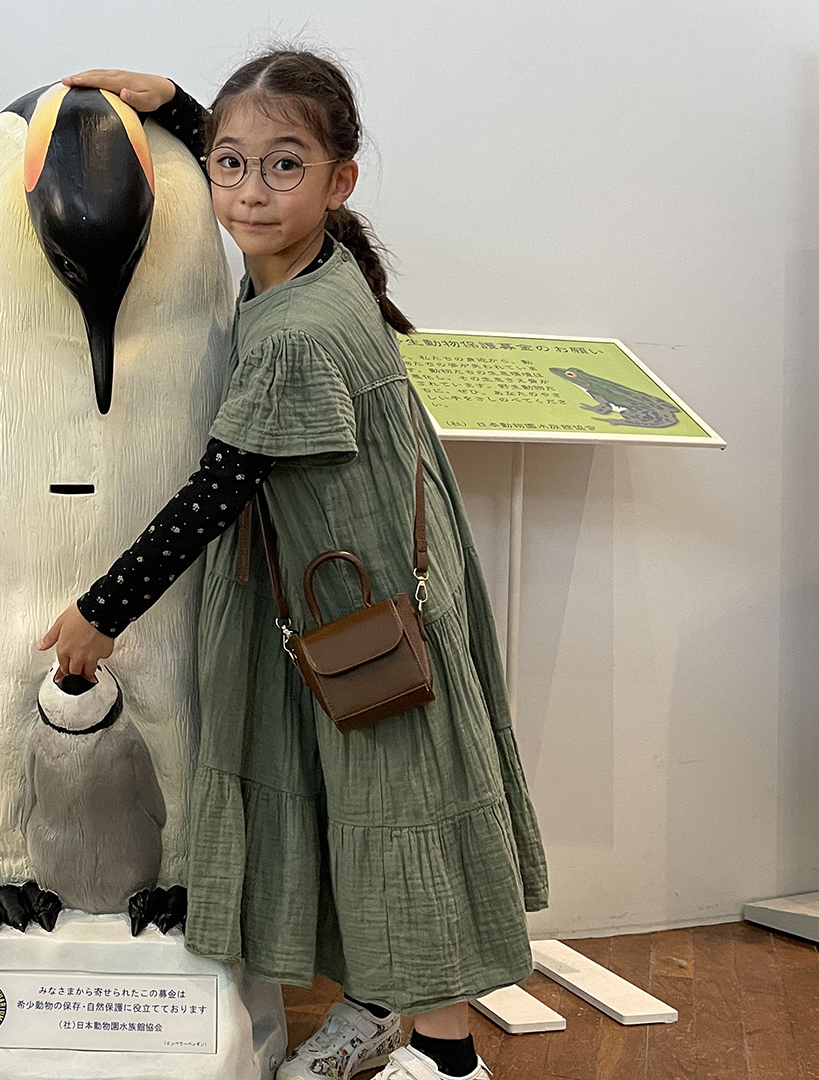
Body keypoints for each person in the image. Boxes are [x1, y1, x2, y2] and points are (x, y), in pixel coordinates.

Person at [37, 50, 548, 1080]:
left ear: (339, 181)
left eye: (284, 167)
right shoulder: (317, 267)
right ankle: (377, 1004)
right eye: (229, 165)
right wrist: (181, 108)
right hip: (359, 589)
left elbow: (215, 493)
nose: (249, 193)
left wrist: (102, 611)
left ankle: (450, 1062)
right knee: (356, 810)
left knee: (398, 817)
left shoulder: (296, 332)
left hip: (365, 618)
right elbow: (254, 167)